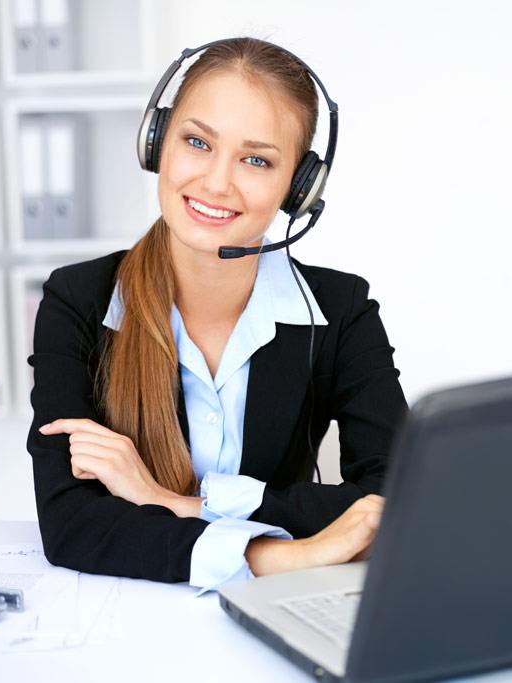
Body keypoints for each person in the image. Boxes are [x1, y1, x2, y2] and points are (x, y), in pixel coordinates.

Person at [25, 37, 408, 592]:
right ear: (156, 143)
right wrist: (280, 556)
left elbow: (392, 501)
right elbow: (70, 527)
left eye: (256, 159)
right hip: (125, 615)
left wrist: (172, 502)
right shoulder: (79, 301)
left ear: (298, 188)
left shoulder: (341, 311)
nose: (216, 182)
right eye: (197, 142)